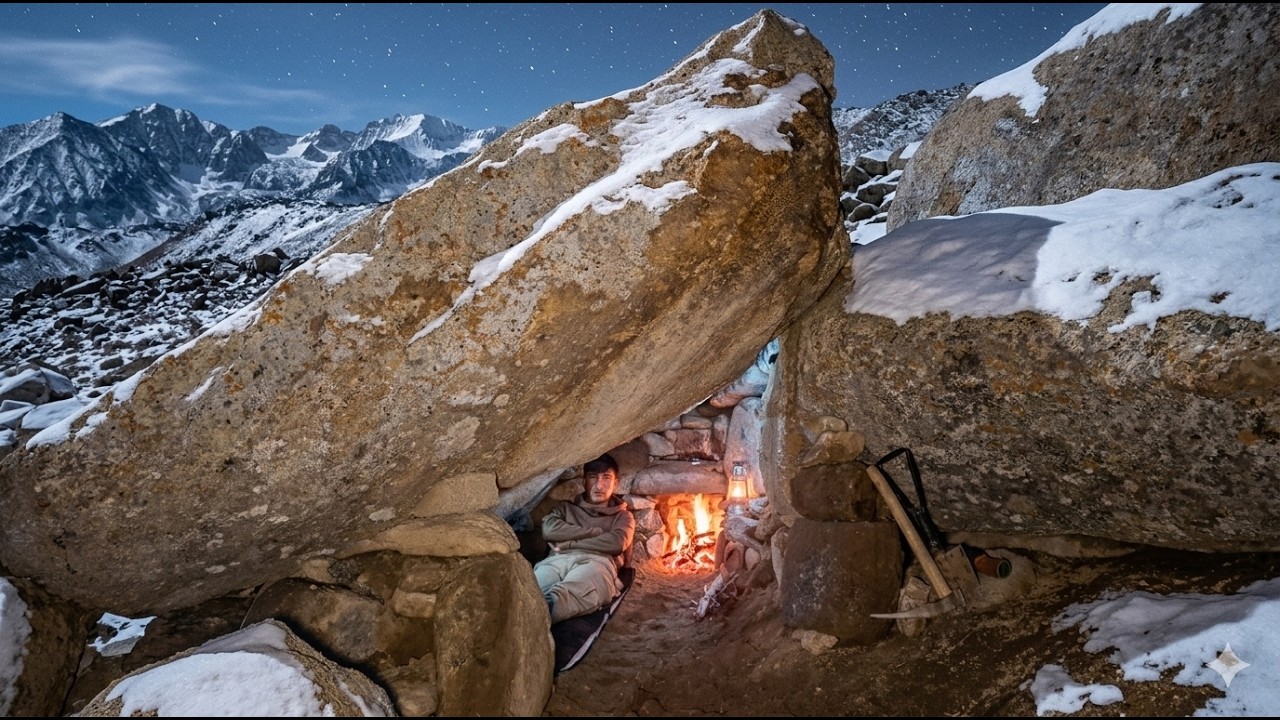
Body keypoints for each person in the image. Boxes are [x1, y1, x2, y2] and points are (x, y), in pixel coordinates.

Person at [534, 453, 636, 624]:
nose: (599, 485)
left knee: (560, 598)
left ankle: (533, 621)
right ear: (584, 482)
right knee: (528, 593)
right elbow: (549, 529)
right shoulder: (566, 508)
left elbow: (616, 543)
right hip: (556, 560)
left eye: (606, 477)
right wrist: (595, 532)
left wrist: (569, 543)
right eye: (593, 477)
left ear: (616, 483)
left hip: (596, 562)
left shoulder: (623, 516)